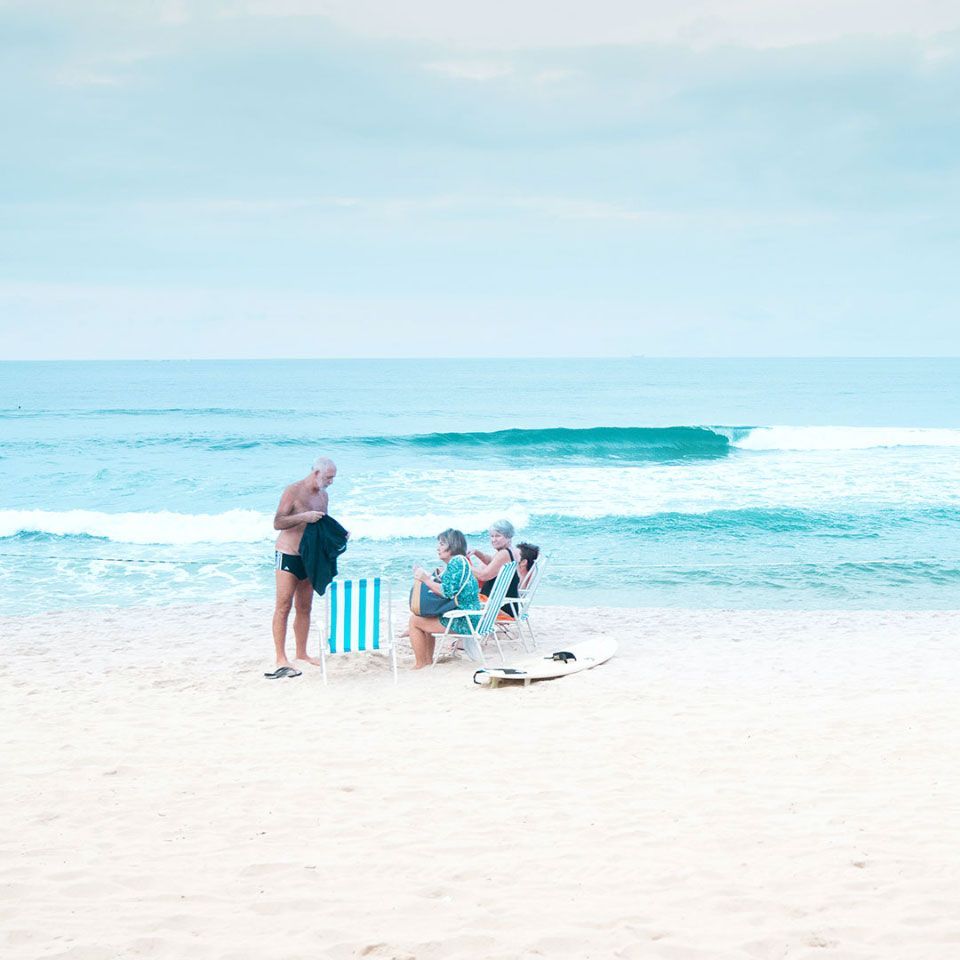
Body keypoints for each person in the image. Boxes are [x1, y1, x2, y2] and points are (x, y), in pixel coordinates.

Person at [266, 457, 337, 678]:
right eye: (328, 477)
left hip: (309, 557)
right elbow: (278, 522)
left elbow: (322, 525)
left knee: (304, 607)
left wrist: (339, 534)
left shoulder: (323, 496)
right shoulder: (293, 491)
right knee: (283, 605)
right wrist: (303, 517)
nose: (331, 482)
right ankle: (280, 656)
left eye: (333, 478)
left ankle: (302, 653)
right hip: (288, 554)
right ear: (316, 472)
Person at [407, 528, 482, 669]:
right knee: (426, 618)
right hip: (467, 616)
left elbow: (447, 592)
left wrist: (426, 580)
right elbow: (450, 588)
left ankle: (420, 663)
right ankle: (427, 661)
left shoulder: (457, 562)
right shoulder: (459, 562)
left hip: (464, 619)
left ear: (452, 546)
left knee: (415, 621)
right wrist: (427, 578)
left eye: (442, 544)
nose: (438, 548)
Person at [468, 518, 521, 617]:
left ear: (509, 536)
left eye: (498, 536)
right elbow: (492, 561)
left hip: (497, 607)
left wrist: (464, 565)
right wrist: (477, 552)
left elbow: (484, 576)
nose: (493, 539)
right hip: (502, 603)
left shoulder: (504, 553)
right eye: (492, 536)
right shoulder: (510, 551)